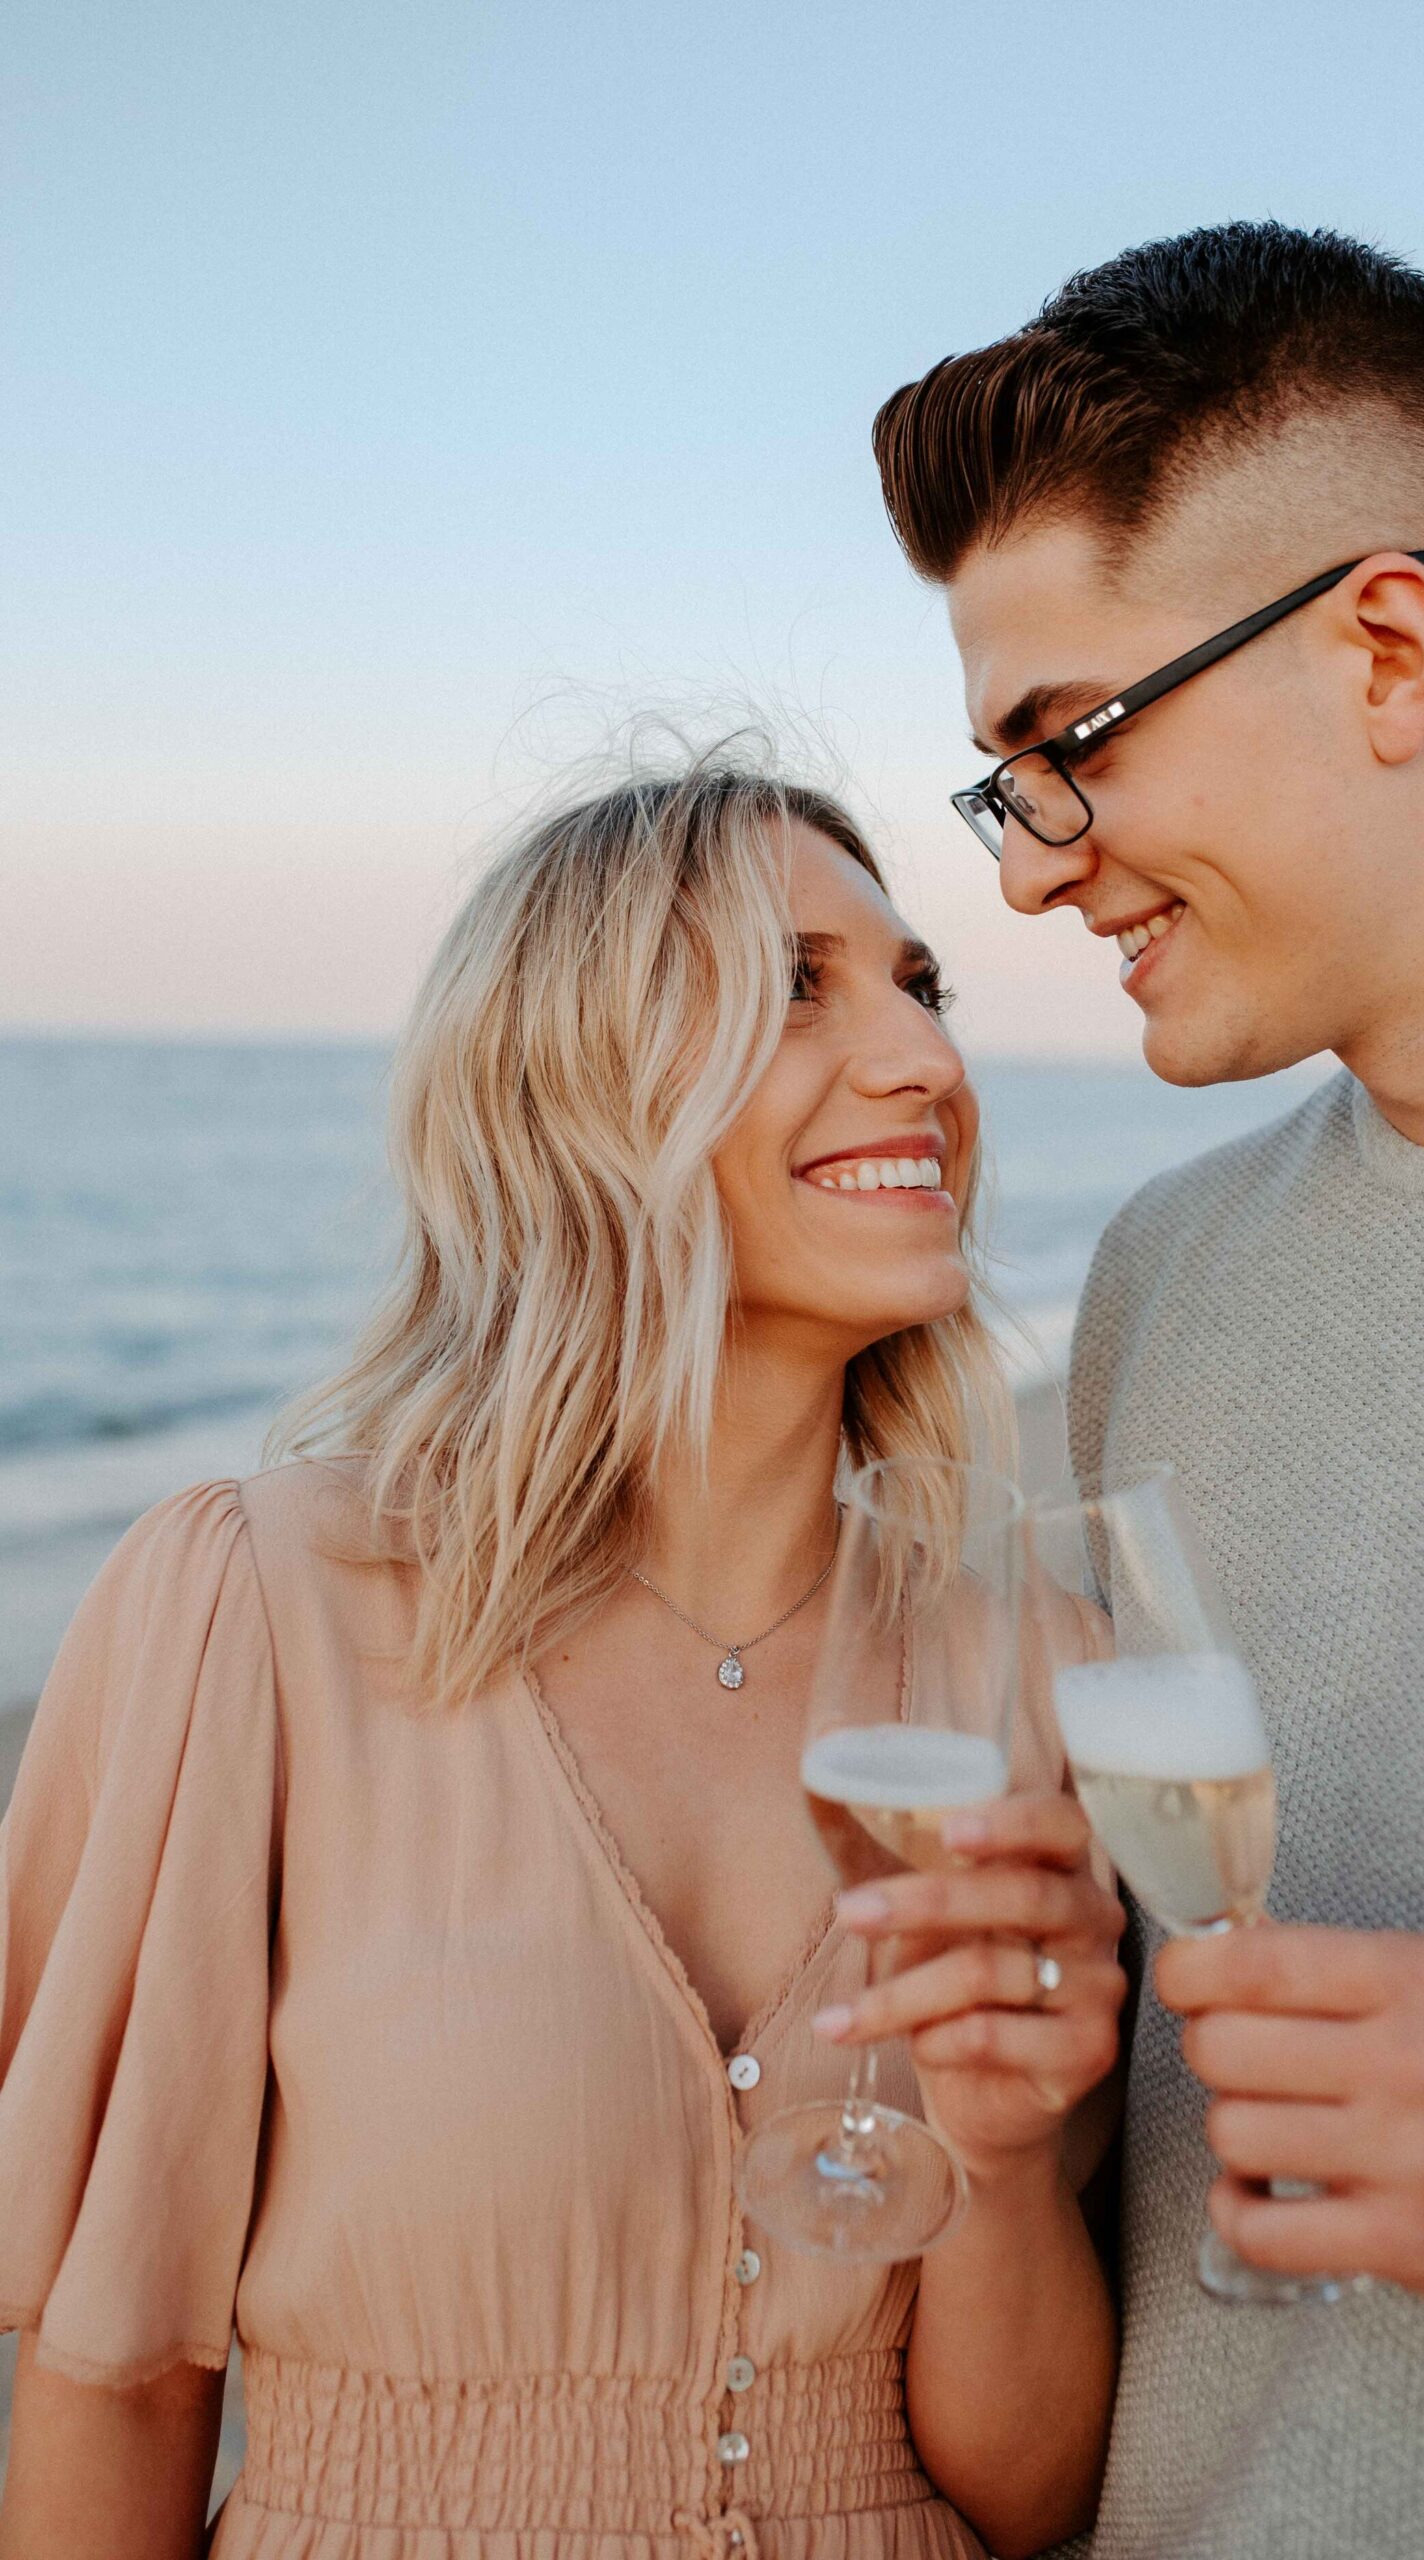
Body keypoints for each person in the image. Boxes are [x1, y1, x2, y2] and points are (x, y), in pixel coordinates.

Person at [0, 754, 1126, 2560]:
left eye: (919, 985)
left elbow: (1022, 2495)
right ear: (577, 1096)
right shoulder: (261, 1610)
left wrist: (996, 2158)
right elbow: (121, 2374)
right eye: (790, 990)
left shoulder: (1032, 1675)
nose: (923, 1060)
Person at [871, 222, 1424, 2557]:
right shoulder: (1162, 1280)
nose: (1035, 876)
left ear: (1387, 642)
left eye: (1072, 744)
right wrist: (1020, 2082)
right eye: (999, 781)